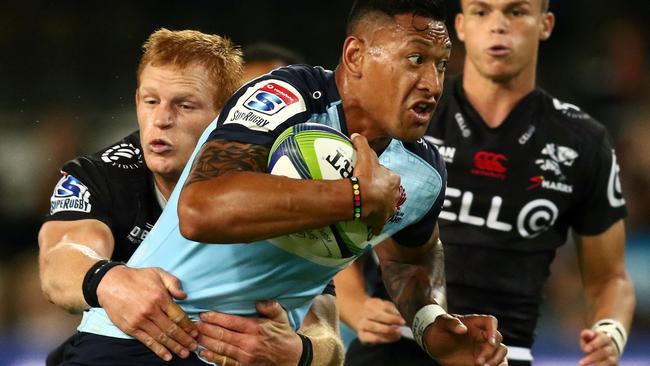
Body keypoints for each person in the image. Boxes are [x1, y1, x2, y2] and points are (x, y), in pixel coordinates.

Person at [56, 0, 510, 365]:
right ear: (355, 56)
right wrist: (351, 196)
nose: (432, 82)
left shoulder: (423, 171)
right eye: (415, 59)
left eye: (441, 63)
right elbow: (199, 211)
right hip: (141, 344)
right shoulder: (289, 96)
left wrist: (432, 324)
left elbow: (412, 257)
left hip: (257, 356)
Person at [335, 0, 636, 365]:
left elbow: (609, 279)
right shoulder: (403, 113)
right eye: (482, 12)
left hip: (499, 355)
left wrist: (610, 332)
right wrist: (354, 303)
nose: (498, 26)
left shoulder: (583, 142)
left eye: (516, 12)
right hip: (393, 348)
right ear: (459, 27)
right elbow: (339, 214)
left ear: (545, 24)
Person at [39, 28, 342, 366]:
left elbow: (327, 329)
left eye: (184, 105)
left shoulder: (271, 193)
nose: (161, 120)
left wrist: (300, 353)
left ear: (227, 116)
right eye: (151, 101)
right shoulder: (101, 176)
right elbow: (60, 261)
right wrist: (108, 280)